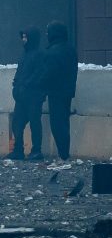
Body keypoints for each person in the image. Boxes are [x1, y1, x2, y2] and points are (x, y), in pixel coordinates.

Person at [41, 21, 78, 161]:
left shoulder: (53, 51)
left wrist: (41, 86)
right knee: (64, 123)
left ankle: (63, 154)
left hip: (55, 92)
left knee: (57, 124)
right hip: (67, 91)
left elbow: (49, 74)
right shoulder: (70, 49)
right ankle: (64, 153)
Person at [9, 27, 45, 161]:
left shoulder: (39, 54)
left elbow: (38, 74)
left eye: (25, 37)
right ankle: (18, 150)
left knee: (35, 123)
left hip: (33, 96)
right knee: (17, 123)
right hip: (22, 95)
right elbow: (21, 72)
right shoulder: (25, 54)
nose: (23, 40)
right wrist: (16, 83)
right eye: (23, 37)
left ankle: (36, 151)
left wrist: (24, 85)